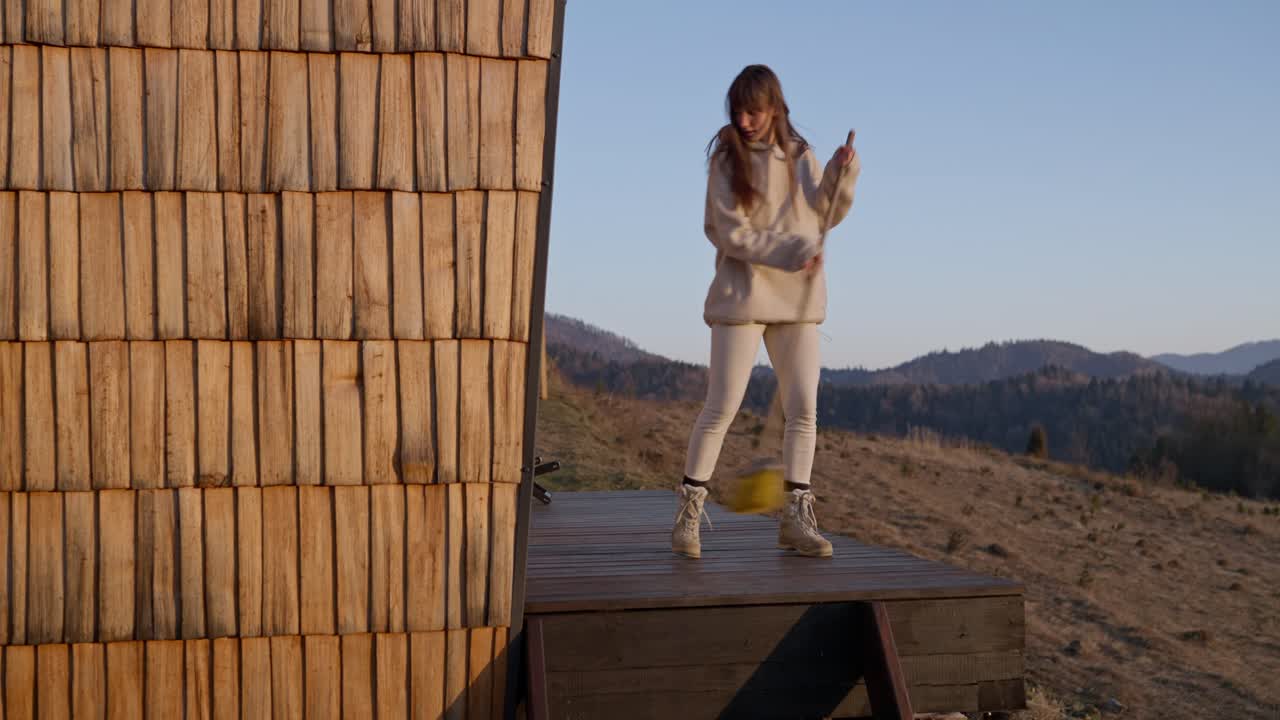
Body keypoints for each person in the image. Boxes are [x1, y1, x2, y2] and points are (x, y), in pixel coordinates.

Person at [672, 64, 860, 559]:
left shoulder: (801, 156)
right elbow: (729, 233)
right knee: (721, 408)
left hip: (797, 300)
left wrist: (843, 171)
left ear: (774, 107)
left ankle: (795, 520)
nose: (744, 119)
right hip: (742, 296)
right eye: (737, 111)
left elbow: (825, 214)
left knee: (804, 409)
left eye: (752, 110)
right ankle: (688, 516)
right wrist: (791, 251)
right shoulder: (726, 163)